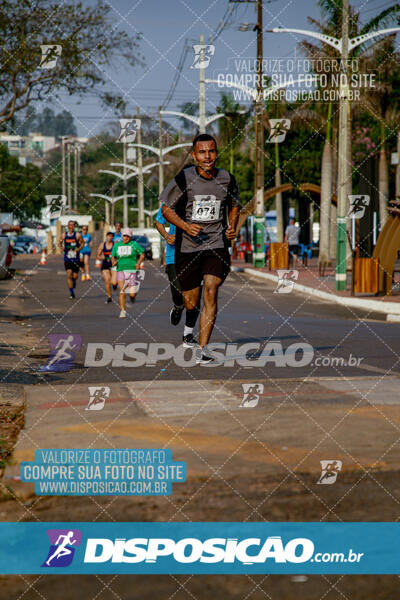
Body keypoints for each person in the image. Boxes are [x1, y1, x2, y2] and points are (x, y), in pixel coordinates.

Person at [161, 133, 240, 365]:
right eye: (203, 152)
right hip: (188, 247)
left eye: (212, 151)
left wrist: (232, 226)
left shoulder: (227, 178)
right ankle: (179, 307)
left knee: (211, 290)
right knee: (191, 302)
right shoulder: (184, 179)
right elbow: (166, 210)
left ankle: (204, 349)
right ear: (194, 155)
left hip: (216, 244)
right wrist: (186, 226)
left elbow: (235, 205)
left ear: (216, 153)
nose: (208, 156)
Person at [155, 205, 199, 348]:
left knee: (195, 297)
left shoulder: (201, 201)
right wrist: (167, 236)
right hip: (174, 256)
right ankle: (178, 306)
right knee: (178, 293)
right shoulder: (172, 201)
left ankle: (188, 334)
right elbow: (158, 222)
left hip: (196, 254)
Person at [111, 227, 145, 318]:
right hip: (120, 270)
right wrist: (113, 261)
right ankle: (122, 310)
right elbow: (113, 256)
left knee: (132, 293)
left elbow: (142, 254)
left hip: (132, 270)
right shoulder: (117, 245)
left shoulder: (134, 244)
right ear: (122, 236)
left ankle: (132, 297)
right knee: (122, 292)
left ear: (130, 237)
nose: (126, 238)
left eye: (128, 236)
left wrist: (138, 263)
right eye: (124, 236)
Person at [59, 220, 84, 299]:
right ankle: (72, 293)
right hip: (67, 258)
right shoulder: (64, 235)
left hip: (76, 259)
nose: (71, 226)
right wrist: (61, 248)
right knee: (69, 274)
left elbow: (82, 243)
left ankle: (74, 281)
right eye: (70, 225)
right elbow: (59, 243)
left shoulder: (77, 235)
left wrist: (79, 249)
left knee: (75, 276)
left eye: (73, 225)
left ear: (74, 227)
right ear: (68, 226)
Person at [96, 231, 114, 304]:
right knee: (107, 280)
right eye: (108, 236)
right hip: (105, 265)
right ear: (106, 237)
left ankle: (114, 286)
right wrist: (101, 257)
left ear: (112, 237)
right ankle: (109, 297)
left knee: (113, 282)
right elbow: (98, 255)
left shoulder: (115, 245)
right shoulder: (102, 245)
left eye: (111, 236)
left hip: (113, 265)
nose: (109, 237)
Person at [111, 222, 123, 290]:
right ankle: (114, 283)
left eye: (119, 226)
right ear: (115, 227)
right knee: (114, 282)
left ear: (121, 227)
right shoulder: (112, 235)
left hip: (121, 256)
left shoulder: (123, 235)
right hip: (114, 255)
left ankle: (120, 281)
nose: (118, 227)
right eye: (116, 226)